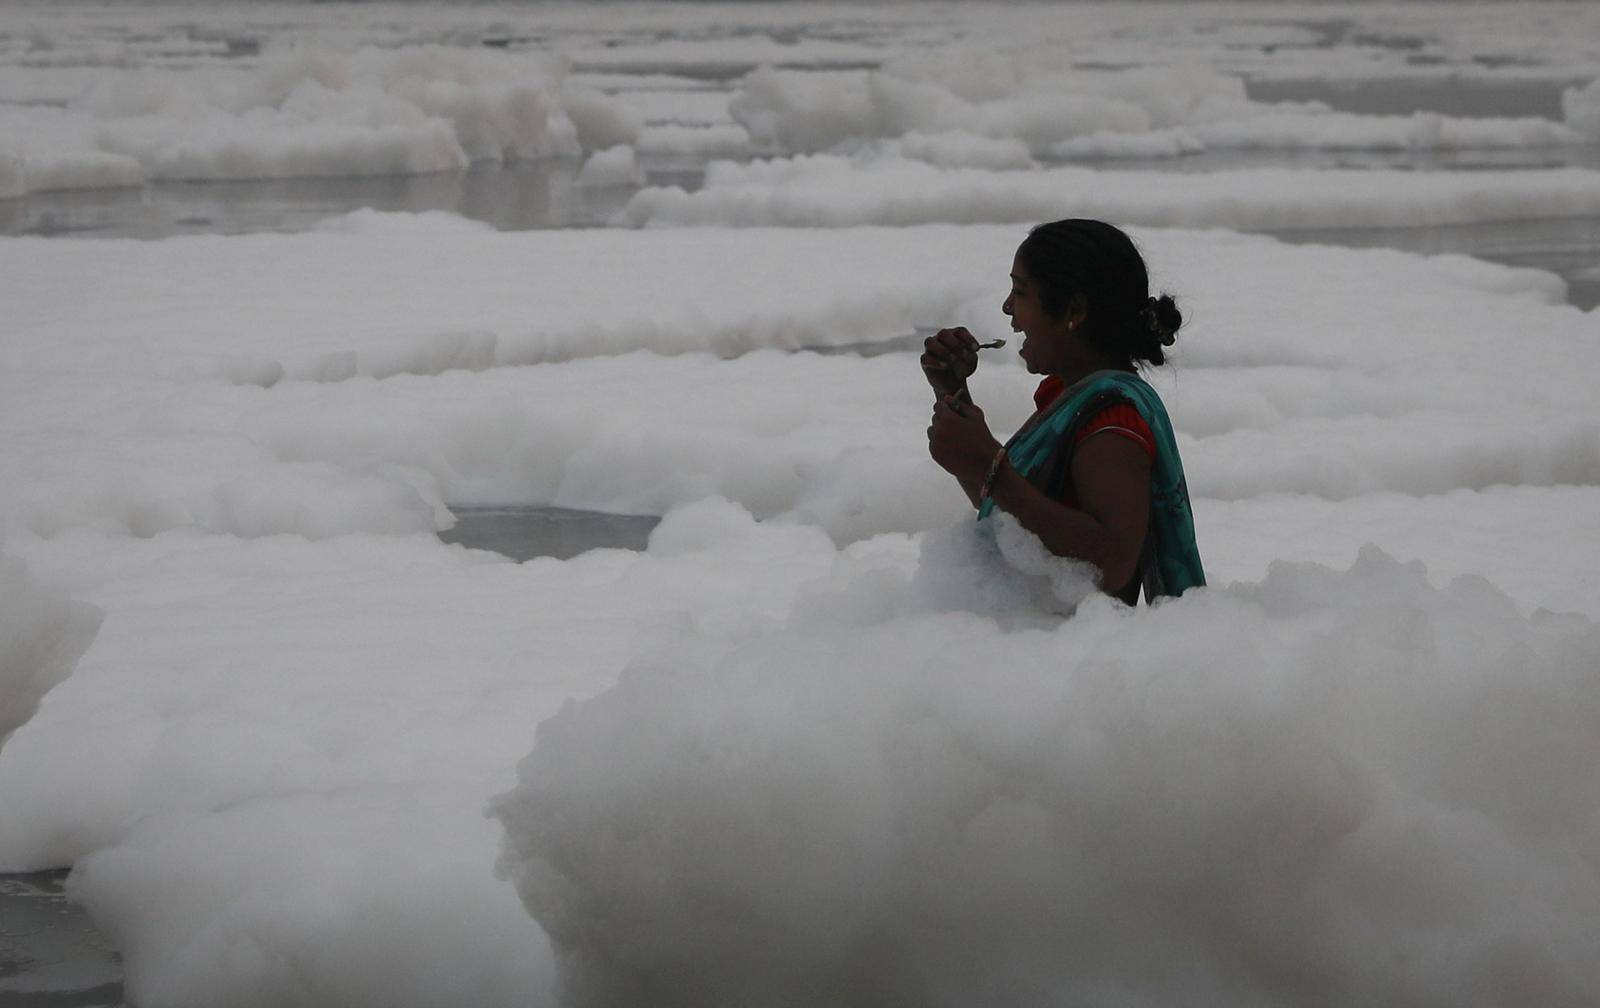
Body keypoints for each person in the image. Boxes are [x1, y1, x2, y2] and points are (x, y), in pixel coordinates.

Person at [923, 219, 1204, 603]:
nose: (1008, 308)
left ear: (1073, 310)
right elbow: (1015, 514)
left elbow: (1112, 563)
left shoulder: (1111, 425)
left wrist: (990, 466)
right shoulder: (1071, 398)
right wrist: (951, 390)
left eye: (1020, 292)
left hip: (1077, 654)